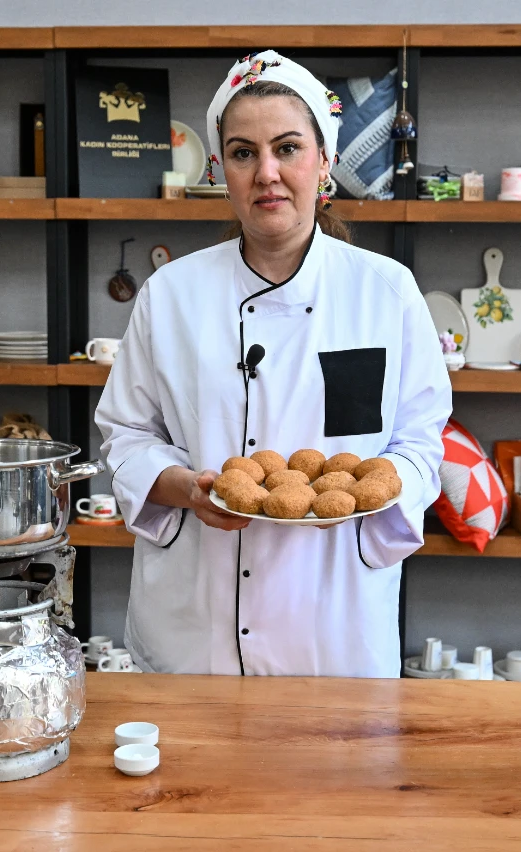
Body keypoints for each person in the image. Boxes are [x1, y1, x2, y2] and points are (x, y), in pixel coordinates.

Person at [94, 50, 452, 677]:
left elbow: (420, 442)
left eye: (287, 148)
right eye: (243, 153)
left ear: (324, 161)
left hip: (333, 618)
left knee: (332, 742)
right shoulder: (171, 294)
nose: (267, 173)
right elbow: (126, 434)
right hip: (194, 624)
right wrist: (185, 489)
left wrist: (360, 494)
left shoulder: (386, 292)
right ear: (221, 169)